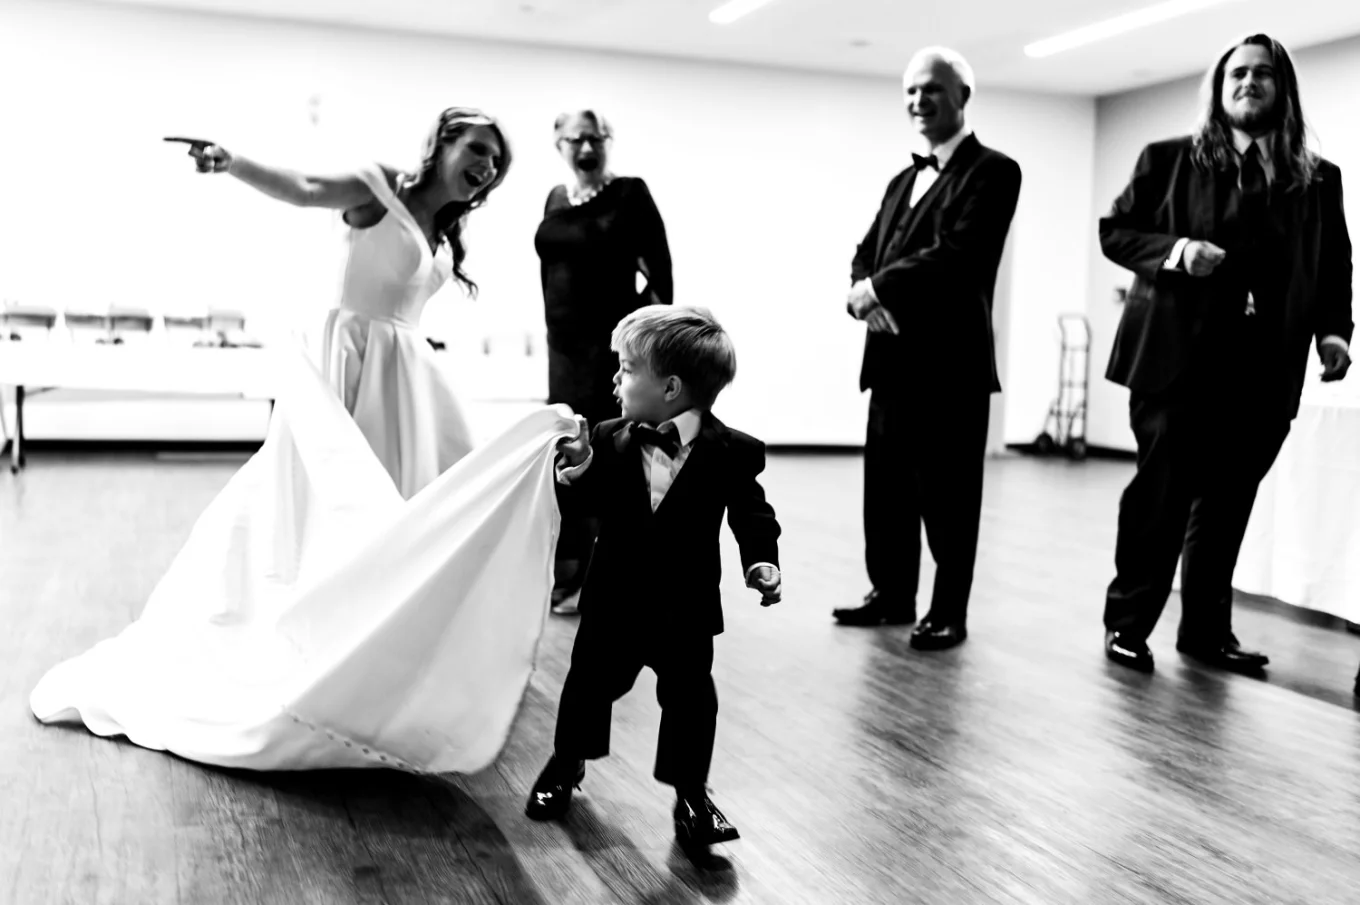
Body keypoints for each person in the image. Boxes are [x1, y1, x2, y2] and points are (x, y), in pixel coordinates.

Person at [29, 107, 585, 774]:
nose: (486, 167)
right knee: (336, 515)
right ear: (442, 143)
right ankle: (313, 655)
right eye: (478, 148)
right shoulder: (380, 187)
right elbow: (306, 187)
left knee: (417, 519)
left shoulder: (444, 230)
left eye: (497, 161)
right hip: (352, 369)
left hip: (408, 382)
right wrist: (233, 161)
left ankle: (398, 667)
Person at [1099, 34, 1352, 675]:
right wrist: (1178, 253)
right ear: (1219, 87)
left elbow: (1334, 266)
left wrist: (1335, 332)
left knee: (1229, 504)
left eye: (1262, 74)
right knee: (1161, 499)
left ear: (1283, 89)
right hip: (1175, 363)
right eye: (1236, 73)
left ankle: (1206, 633)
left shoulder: (1318, 179)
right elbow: (1116, 232)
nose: (1248, 82)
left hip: (1265, 370)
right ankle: (1127, 626)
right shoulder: (1168, 159)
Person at [523, 305, 782, 848]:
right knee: (588, 686)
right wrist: (580, 468)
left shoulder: (732, 451)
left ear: (669, 387)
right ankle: (566, 763)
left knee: (690, 701)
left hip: (684, 607)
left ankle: (692, 796)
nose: (615, 379)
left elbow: (752, 513)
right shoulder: (612, 437)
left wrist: (761, 560)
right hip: (614, 598)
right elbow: (589, 501)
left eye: (626, 368)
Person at [830, 47, 1022, 652]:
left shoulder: (994, 171)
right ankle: (890, 594)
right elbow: (866, 250)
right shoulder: (901, 179)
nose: (919, 101)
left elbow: (960, 256)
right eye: (911, 91)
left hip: (950, 369)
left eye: (932, 90)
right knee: (885, 493)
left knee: (949, 499)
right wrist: (863, 287)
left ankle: (948, 611)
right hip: (889, 362)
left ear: (963, 96)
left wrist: (877, 287)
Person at [534, 110, 674, 613]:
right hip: (563, 350)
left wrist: (645, 354)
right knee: (565, 451)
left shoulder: (630, 194)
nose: (587, 148)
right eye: (576, 139)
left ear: (608, 141)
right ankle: (567, 571)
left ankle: (602, 578)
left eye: (596, 138)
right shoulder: (554, 198)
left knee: (605, 453)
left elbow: (659, 277)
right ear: (559, 144)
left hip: (609, 352)